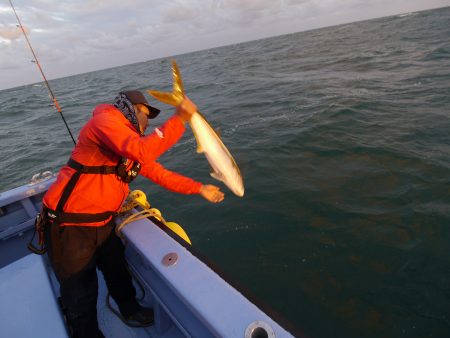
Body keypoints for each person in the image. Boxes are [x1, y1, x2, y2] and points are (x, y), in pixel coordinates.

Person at [41, 90, 225, 338]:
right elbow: (142, 151)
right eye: (145, 114)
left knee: (118, 272)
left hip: (104, 223)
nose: (147, 122)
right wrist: (179, 118)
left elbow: (160, 174)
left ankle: (130, 310)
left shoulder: (129, 144)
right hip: (69, 227)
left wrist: (199, 188)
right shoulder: (105, 122)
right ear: (130, 107)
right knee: (80, 293)